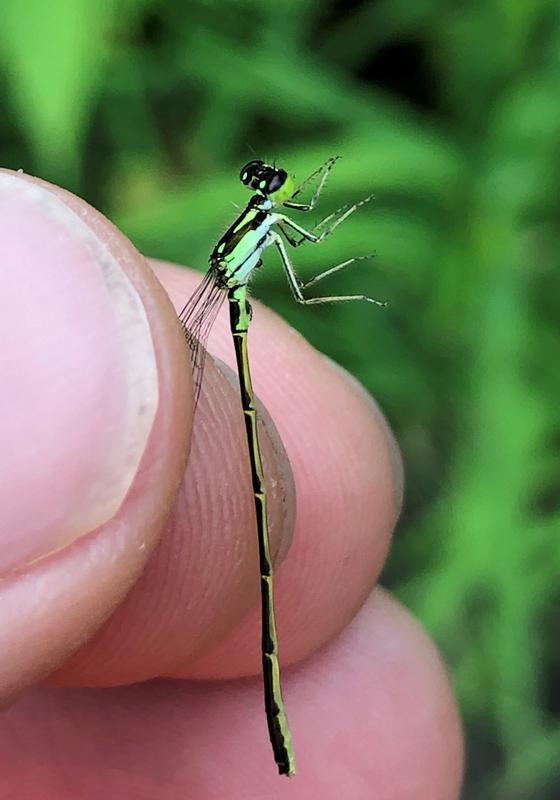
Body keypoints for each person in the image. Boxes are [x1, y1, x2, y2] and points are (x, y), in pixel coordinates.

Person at [0, 170, 463, 798]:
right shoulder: (265, 221)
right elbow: (312, 242)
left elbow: (303, 237)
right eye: (268, 186)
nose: (272, 189)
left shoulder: (261, 219)